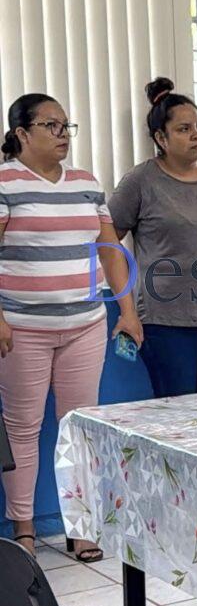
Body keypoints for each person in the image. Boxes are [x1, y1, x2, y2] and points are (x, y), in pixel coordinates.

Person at [0, 94, 142, 561]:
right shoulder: (5, 183)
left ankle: (80, 525)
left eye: (66, 126)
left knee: (78, 427)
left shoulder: (85, 182)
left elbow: (109, 250)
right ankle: (23, 529)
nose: (63, 134)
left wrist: (128, 310)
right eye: (51, 125)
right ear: (21, 134)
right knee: (22, 428)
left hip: (85, 323)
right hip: (21, 328)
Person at [108, 78, 197, 397]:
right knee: (177, 414)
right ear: (161, 137)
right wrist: (129, 304)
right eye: (184, 129)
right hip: (164, 319)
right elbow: (108, 241)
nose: (196, 134)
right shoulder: (141, 180)